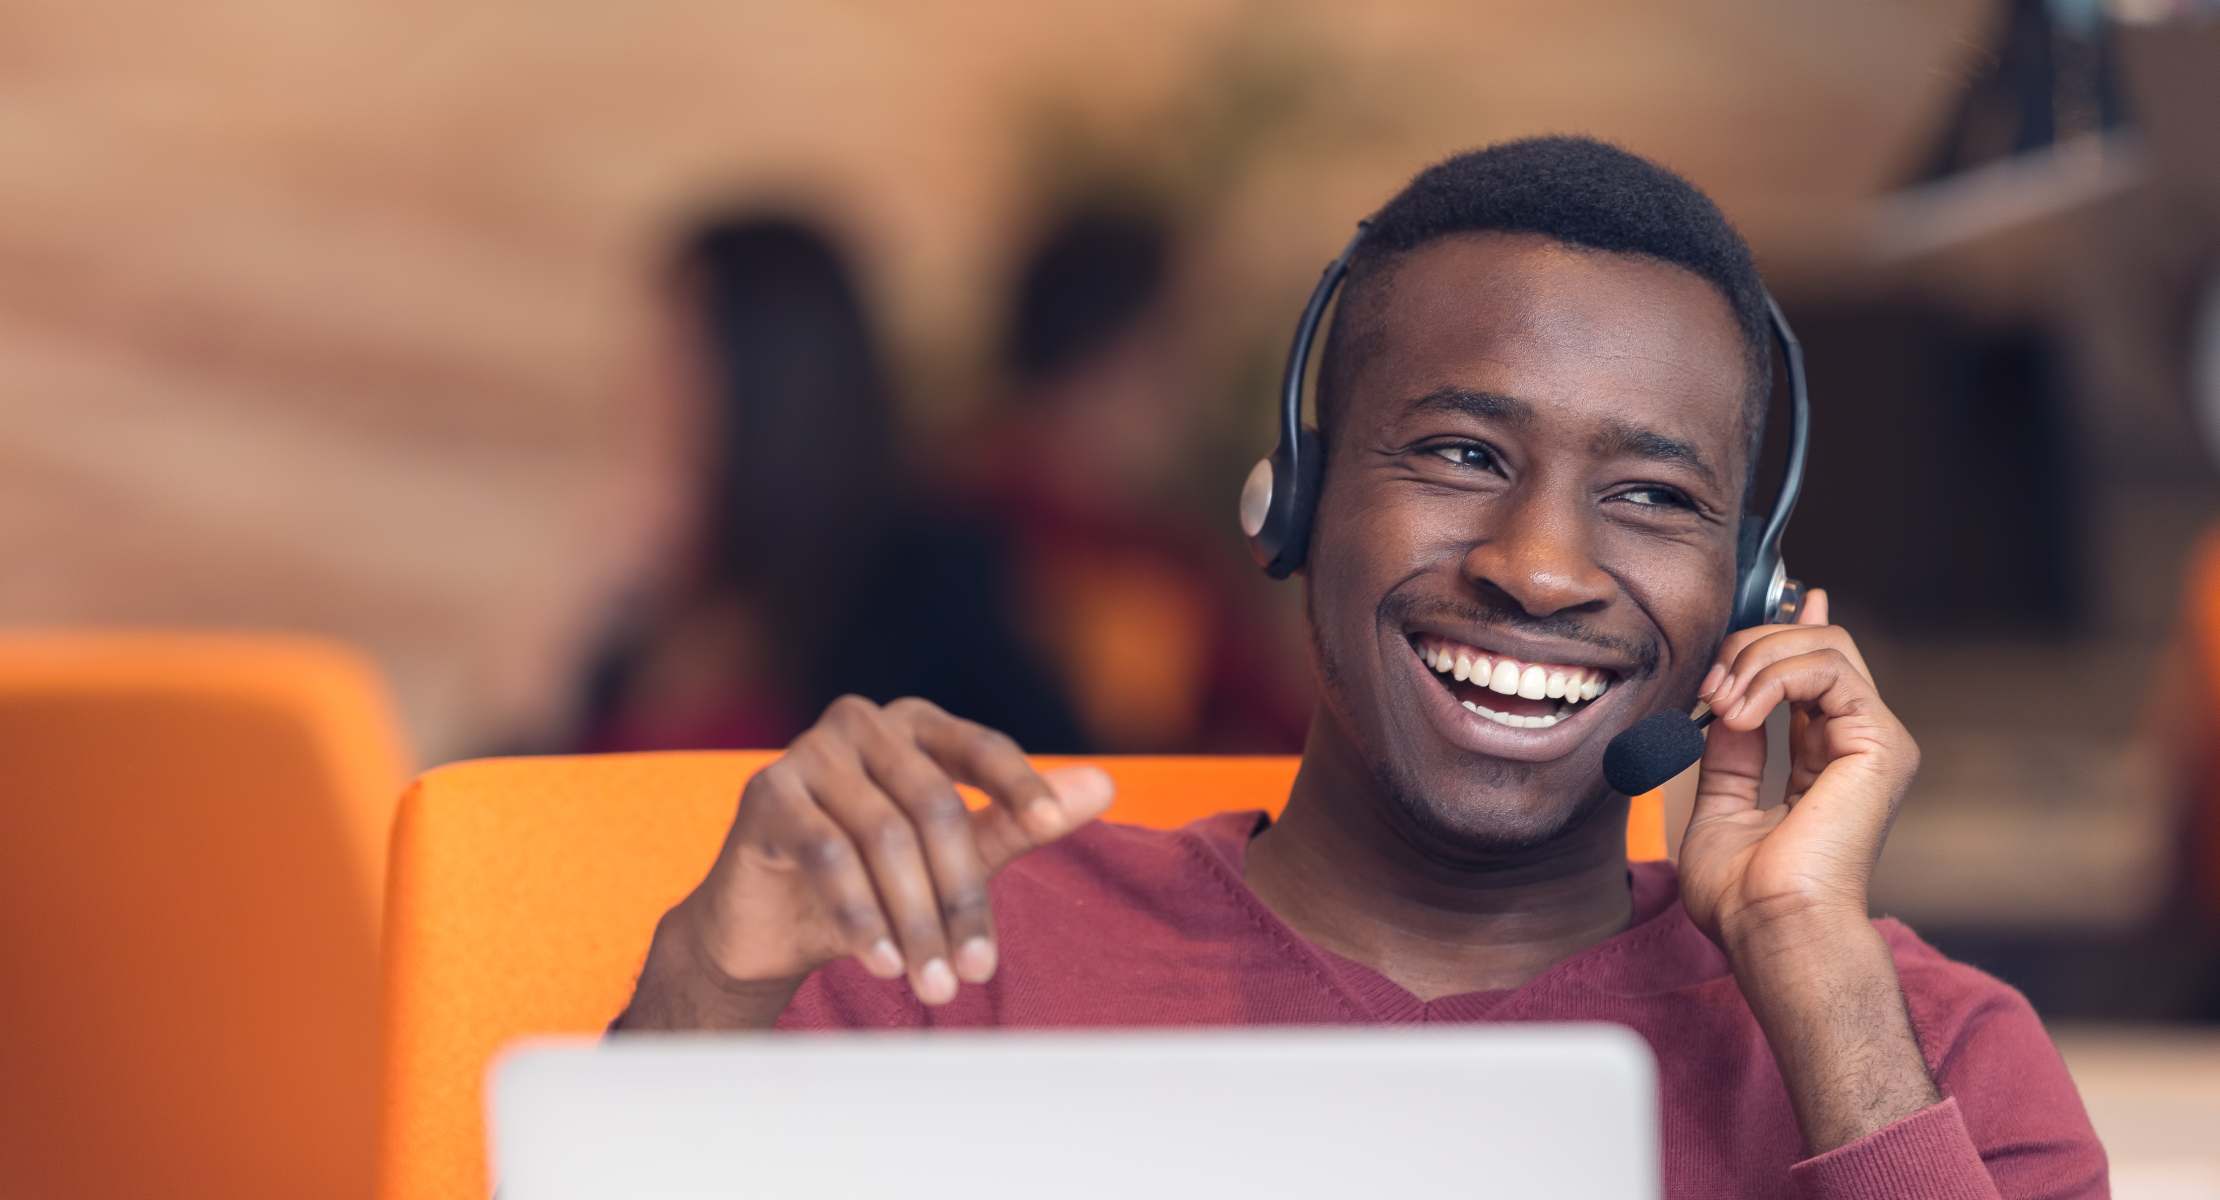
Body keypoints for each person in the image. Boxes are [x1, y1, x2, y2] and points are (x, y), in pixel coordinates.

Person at [615, 140, 2107, 1196]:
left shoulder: (1928, 1054)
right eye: (1461, 453)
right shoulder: (951, 965)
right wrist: (702, 994)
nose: (1538, 564)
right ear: (1297, 504)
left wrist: (1822, 993)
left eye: (1651, 496)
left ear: (1755, 593)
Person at [573, 213, 1086, 754]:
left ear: (773, 380)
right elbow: (549, 808)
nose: (641, 390)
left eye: (677, 355)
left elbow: (1043, 781)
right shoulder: (655, 596)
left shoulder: (928, 581)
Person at [957, 202, 1310, 752]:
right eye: (1179, 348)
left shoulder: (1170, 551)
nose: (1195, 390)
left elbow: (1276, 729)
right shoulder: (950, 534)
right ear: (1109, 346)